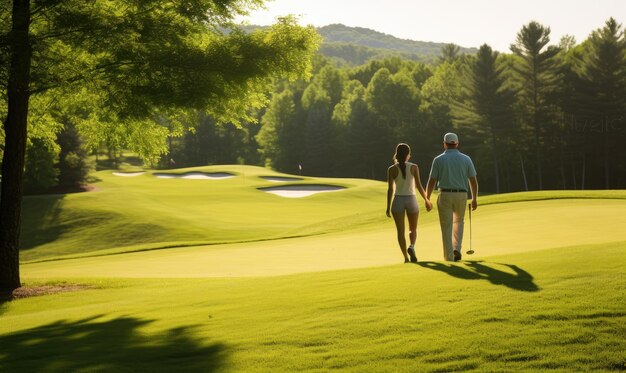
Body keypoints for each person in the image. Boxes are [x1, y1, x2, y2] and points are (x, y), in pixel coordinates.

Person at [426, 133, 478, 262]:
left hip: (445, 195)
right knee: (459, 222)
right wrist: (475, 198)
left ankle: (449, 257)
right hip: (462, 195)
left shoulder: (438, 159)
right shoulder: (466, 159)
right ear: (457, 144)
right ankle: (457, 249)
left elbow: (431, 181)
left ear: (444, 144)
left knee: (446, 226)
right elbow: (473, 181)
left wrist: (427, 198)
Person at [386, 143, 433, 263]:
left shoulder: (391, 169)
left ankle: (406, 258)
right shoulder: (414, 167)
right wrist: (426, 200)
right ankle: (411, 246)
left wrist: (387, 207)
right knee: (413, 229)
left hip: (398, 201)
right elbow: (419, 186)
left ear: (396, 154)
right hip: (411, 199)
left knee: (400, 232)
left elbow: (390, 189)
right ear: (408, 155)